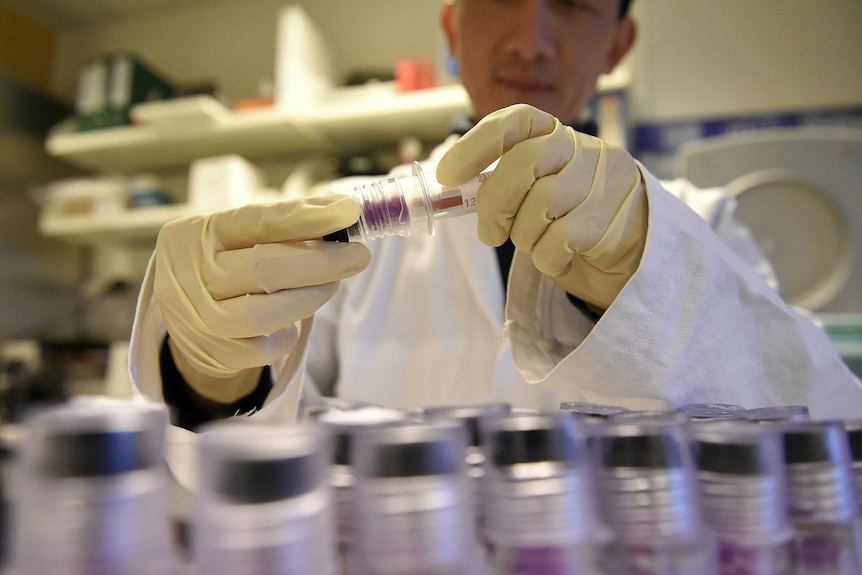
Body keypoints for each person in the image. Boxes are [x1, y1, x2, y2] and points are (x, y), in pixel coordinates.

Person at [130, 0, 862, 467]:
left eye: (573, 3)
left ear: (619, 43)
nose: (531, 37)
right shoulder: (345, 219)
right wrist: (209, 381)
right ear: (452, 28)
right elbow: (234, 479)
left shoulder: (702, 224)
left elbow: (822, 430)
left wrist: (658, 275)